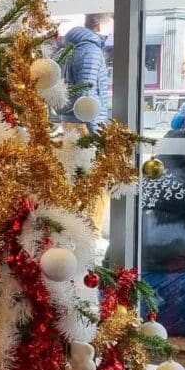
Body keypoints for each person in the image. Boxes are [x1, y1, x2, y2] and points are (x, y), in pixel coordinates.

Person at [61, 14, 112, 235]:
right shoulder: (90, 50)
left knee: (78, 182)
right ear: (100, 24)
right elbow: (87, 93)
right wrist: (98, 132)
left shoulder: (71, 48)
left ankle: (76, 234)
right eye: (112, 22)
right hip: (85, 125)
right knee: (99, 181)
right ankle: (90, 237)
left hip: (71, 123)